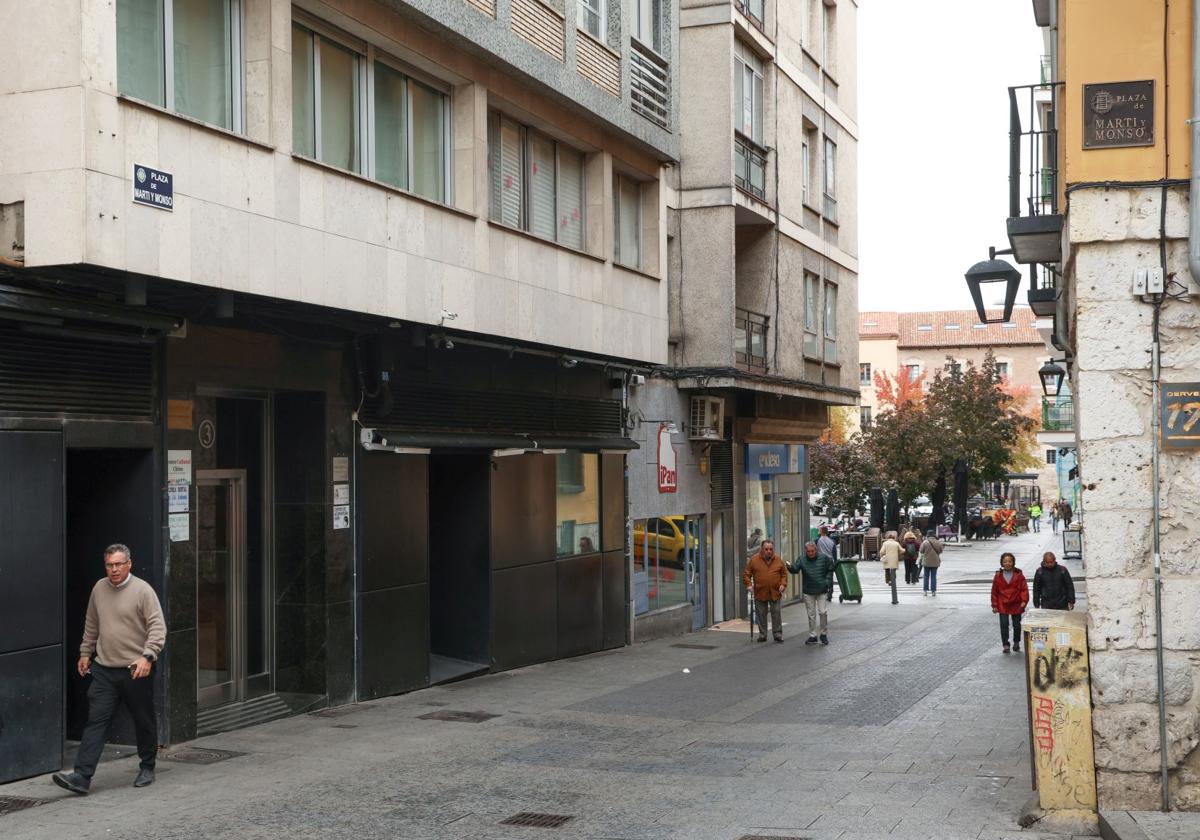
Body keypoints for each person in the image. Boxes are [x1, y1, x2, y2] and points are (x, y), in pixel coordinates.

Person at [53, 544, 166, 795]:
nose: (114, 569)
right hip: (104, 668)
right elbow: (92, 623)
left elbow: (158, 628)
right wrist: (85, 652)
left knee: (143, 719)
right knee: (96, 721)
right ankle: (82, 776)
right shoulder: (99, 588)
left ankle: (147, 766)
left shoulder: (143, 591)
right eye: (109, 565)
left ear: (129, 564)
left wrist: (148, 657)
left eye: (118, 564)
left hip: (135, 669)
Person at [743, 539, 788, 643]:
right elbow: (746, 574)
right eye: (766, 549)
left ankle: (777, 634)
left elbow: (784, 574)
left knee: (776, 613)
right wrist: (749, 585)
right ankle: (762, 634)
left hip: (775, 591)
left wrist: (783, 584)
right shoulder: (754, 560)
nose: (769, 551)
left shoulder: (778, 560)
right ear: (762, 549)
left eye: (771, 549)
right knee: (761, 614)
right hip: (760, 591)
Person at [796, 541, 834, 645]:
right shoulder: (802, 559)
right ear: (806, 551)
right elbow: (795, 569)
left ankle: (823, 634)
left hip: (821, 589)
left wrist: (827, 582)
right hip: (809, 590)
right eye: (808, 551)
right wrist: (789, 566)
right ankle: (812, 635)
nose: (811, 553)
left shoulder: (824, 558)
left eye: (812, 551)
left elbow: (830, 570)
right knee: (811, 614)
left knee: (823, 612)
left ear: (816, 550)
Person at [991, 552, 1029, 654]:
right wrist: (994, 605)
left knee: (1017, 625)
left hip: (1016, 602)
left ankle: (1016, 642)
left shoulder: (1019, 575)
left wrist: (1024, 601)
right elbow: (994, 591)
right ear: (1002, 563)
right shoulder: (998, 576)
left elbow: (1024, 589)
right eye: (1005, 561)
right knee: (1004, 624)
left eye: (1009, 561)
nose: (1007, 563)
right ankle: (1006, 644)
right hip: (1002, 603)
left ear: (1013, 563)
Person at [879, 530, 902, 605]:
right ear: (894, 538)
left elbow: (882, 551)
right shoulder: (896, 543)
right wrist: (904, 550)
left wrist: (882, 555)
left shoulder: (885, 543)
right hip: (894, 560)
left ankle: (888, 581)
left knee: (887, 571)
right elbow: (901, 550)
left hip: (887, 559)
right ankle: (893, 581)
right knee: (893, 571)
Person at [919, 528, 944, 596]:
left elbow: (921, 551)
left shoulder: (925, 542)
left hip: (926, 562)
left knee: (926, 576)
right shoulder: (938, 542)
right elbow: (941, 550)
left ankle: (925, 591)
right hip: (935, 562)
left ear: (927, 535)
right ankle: (933, 591)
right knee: (933, 576)